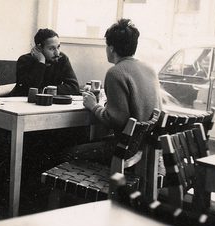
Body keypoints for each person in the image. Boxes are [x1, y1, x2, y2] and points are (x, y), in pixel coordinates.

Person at [67, 18, 163, 165]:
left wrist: (93, 106)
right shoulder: (150, 69)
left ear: (111, 48)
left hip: (123, 149)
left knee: (67, 153)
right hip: (144, 147)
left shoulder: (115, 72)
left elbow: (116, 121)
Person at [10, 28, 80, 96]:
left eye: (58, 47)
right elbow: (27, 91)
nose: (57, 53)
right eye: (51, 48)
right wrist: (41, 63)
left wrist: (46, 90)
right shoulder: (24, 60)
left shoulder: (62, 58)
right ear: (39, 48)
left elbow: (74, 88)